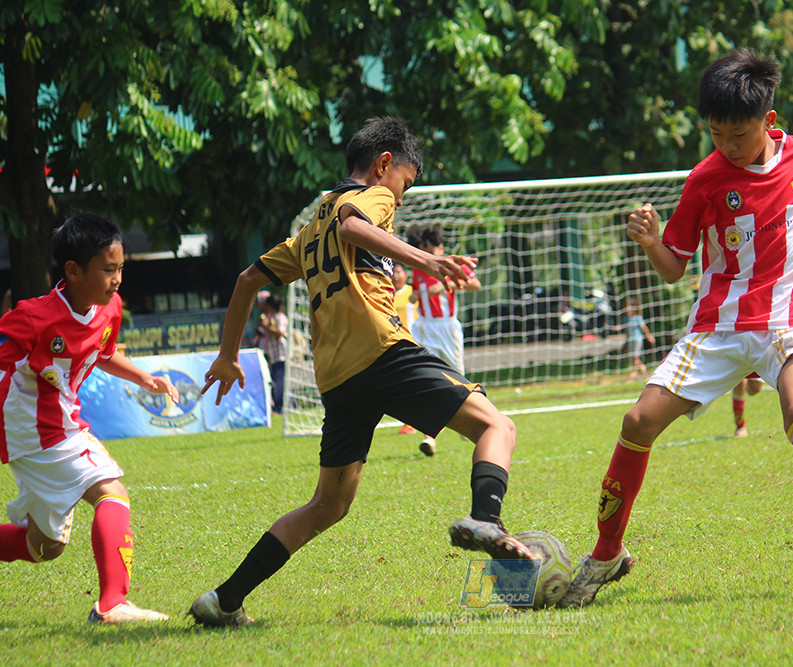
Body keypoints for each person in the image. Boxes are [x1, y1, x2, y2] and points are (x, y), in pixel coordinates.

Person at [189, 116, 534, 628]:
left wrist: (228, 353)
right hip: (382, 349)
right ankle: (486, 521)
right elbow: (354, 224)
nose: (403, 196)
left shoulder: (307, 232)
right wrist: (425, 260)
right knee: (497, 427)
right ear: (384, 165)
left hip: (337, 376)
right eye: (407, 183)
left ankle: (224, 600)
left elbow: (246, 280)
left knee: (329, 504)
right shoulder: (374, 196)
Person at [559, 48, 793, 608]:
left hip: (788, 320)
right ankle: (607, 553)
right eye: (716, 132)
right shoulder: (706, 178)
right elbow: (676, 265)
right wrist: (652, 241)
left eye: (738, 134)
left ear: (768, 123)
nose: (726, 144)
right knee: (637, 420)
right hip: (719, 325)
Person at [0, 212, 179, 624]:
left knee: (44, 546)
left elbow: (103, 352)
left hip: (51, 427)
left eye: (120, 268)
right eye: (108, 269)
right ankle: (112, 603)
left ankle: (110, 599)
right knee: (111, 489)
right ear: (73, 271)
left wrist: (144, 378)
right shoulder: (34, 316)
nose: (117, 279)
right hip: (37, 429)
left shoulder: (108, 307)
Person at [405, 223, 482, 456]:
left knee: (458, 378)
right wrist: (414, 296)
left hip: (447, 326)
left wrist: (446, 284)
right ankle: (429, 436)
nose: (426, 252)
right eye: (422, 248)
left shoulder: (452, 264)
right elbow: (414, 295)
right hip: (424, 326)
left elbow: (475, 285)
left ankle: (472, 420)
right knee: (426, 377)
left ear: (439, 246)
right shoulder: (419, 268)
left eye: (428, 247)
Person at [391, 262, 419, 436]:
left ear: (406, 275)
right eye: (393, 272)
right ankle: (410, 421)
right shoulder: (387, 294)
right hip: (396, 343)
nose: (395, 275)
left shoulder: (412, 293)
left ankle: (412, 422)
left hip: (416, 341)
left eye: (399, 272)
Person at [258, 293, 288, 414]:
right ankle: (277, 405)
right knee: (275, 380)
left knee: (279, 380)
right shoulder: (270, 317)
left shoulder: (280, 317)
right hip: (273, 355)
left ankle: (279, 407)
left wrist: (267, 327)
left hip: (281, 354)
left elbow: (280, 332)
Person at [622, 299, 655, 378]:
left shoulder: (638, 318)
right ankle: (643, 368)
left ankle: (635, 371)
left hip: (637, 339)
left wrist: (649, 336)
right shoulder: (627, 318)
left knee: (635, 356)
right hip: (630, 339)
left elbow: (644, 327)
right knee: (633, 356)